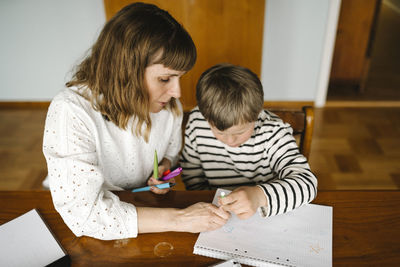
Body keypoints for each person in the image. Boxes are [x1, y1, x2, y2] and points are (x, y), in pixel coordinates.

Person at [43, 2, 229, 240]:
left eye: (179, 78)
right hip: (83, 219)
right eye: (164, 79)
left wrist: (164, 169)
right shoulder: (71, 110)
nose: (178, 93)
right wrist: (181, 219)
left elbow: (171, 155)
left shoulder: (169, 108)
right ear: (125, 71)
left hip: (136, 204)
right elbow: (85, 215)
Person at [180, 63, 317, 220]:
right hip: (217, 214)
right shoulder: (197, 122)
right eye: (219, 132)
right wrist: (208, 201)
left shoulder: (272, 131)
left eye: (240, 132)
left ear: (257, 114)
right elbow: (192, 172)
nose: (230, 140)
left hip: (263, 214)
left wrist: (258, 196)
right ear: (205, 116)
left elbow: (307, 184)